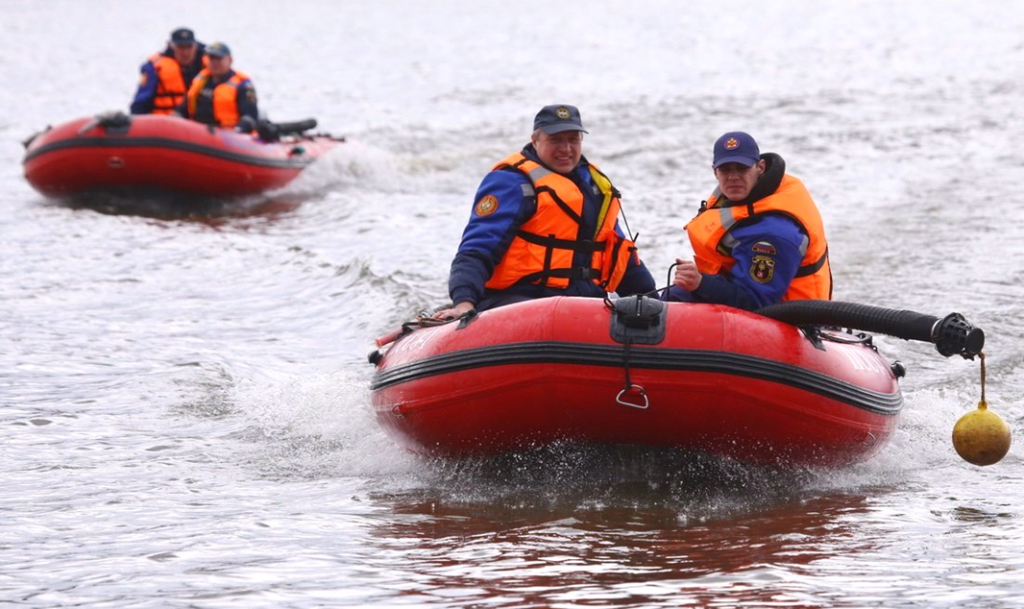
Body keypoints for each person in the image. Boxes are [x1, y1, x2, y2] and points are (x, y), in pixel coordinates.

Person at [433, 104, 656, 320]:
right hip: (518, 300)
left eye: (572, 140)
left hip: (586, 304)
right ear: (535, 140)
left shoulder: (593, 187)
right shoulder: (513, 183)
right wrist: (463, 302)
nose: (566, 149)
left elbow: (616, 252)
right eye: (555, 140)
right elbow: (478, 248)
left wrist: (653, 302)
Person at [665, 131, 832, 310]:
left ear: (760, 167)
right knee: (672, 296)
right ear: (715, 172)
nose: (733, 177)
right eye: (726, 170)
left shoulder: (774, 234)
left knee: (677, 298)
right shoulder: (744, 195)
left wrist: (701, 283)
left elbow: (756, 302)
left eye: (742, 168)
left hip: (793, 319)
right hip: (747, 292)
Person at [175, 42, 258, 129]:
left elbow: (250, 116)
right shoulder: (201, 81)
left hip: (227, 135)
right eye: (211, 59)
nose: (214, 63)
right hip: (198, 132)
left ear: (229, 60)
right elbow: (183, 108)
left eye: (218, 59)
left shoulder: (242, 85)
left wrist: (238, 130)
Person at [130, 27, 206, 115]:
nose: (185, 52)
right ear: (172, 46)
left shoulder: (209, 65)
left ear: (195, 46)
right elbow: (140, 104)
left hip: (198, 124)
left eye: (189, 47)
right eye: (180, 47)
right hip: (165, 124)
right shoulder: (155, 69)